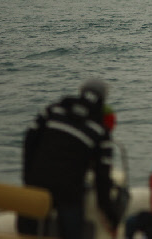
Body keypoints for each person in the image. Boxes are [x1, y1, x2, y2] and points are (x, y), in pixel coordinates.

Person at [18, 79, 120, 239]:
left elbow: (29, 141)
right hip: (69, 190)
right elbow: (102, 176)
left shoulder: (53, 110)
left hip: (38, 182)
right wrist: (109, 214)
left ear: (81, 92)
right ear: (103, 99)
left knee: (27, 232)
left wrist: (27, 178)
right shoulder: (100, 131)